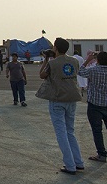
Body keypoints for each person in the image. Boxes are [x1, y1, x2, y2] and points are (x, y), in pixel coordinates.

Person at [39, 37, 83, 175]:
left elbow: (42, 75)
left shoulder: (53, 63)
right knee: (70, 131)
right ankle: (78, 162)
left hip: (58, 99)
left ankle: (70, 165)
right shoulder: (74, 61)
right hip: (72, 98)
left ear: (56, 48)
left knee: (61, 133)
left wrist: (46, 58)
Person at [78, 51, 107, 163]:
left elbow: (80, 71)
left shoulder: (93, 70)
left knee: (97, 130)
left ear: (97, 60)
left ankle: (101, 154)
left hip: (94, 104)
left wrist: (88, 60)